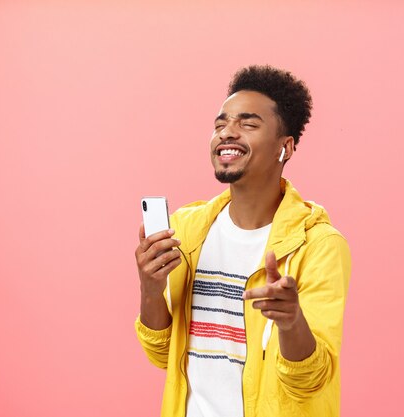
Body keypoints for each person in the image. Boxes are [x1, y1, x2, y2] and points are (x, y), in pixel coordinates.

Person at [135, 65, 351, 416]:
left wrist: (291, 321)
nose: (227, 133)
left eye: (248, 124)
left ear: (286, 147)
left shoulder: (319, 245)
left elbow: (310, 380)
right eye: (220, 124)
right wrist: (149, 287)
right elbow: (164, 354)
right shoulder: (187, 231)